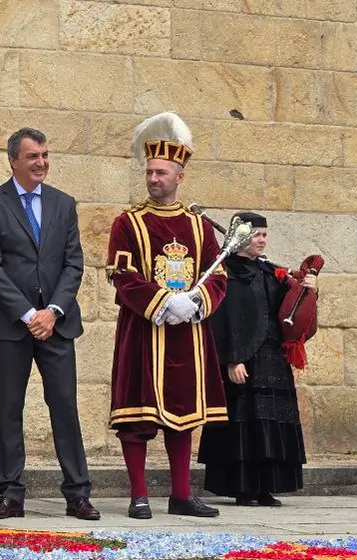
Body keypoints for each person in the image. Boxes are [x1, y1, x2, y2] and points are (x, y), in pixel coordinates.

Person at [106, 112, 226, 519]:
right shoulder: (128, 223)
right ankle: (139, 495)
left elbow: (218, 275)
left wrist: (196, 302)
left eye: (161, 173)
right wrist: (163, 302)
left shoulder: (199, 226)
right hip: (144, 330)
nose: (153, 179)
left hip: (188, 332)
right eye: (149, 172)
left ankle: (181, 495)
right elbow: (123, 275)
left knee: (183, 415)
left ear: (179, 177)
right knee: (136, 416)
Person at [0, 127, 95, 521]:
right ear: (13, 161)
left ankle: (78, 493)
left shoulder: (63, 203)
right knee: (9, 408)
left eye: (44, 155)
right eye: (32, 156)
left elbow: (74, 263)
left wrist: (53, 311)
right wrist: (28, 314)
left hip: (57, 324)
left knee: (65, 406)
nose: (41, 162)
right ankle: (10, 493)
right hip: (10, 326)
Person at [198, 212, 314, 506]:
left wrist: (308, 290)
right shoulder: (224, 273)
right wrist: (232, 359)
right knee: (244, 421)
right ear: (241, 237)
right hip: (242, 358)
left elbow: (289, 309)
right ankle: (243, 488)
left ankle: (265, 487)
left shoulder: (270, 272)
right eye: (256, 235)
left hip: (271, 356)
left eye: (264, 235)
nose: (262, 240)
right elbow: (223, 318)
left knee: (270, 420)